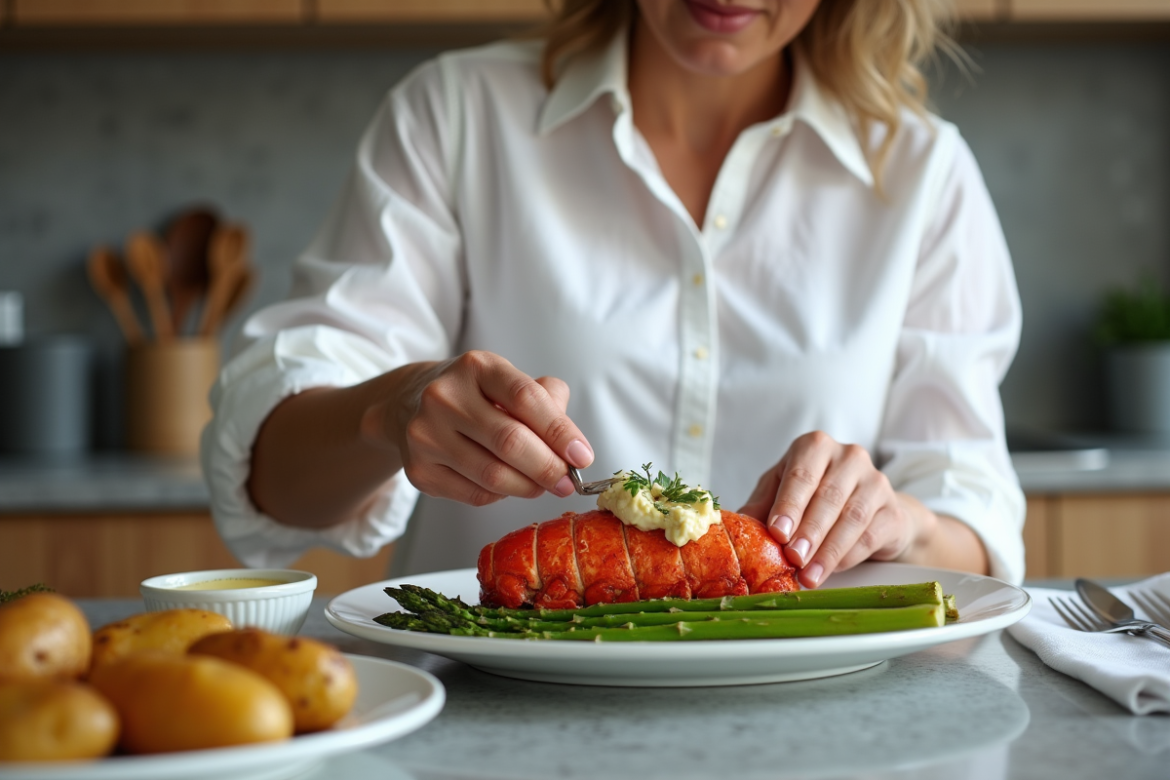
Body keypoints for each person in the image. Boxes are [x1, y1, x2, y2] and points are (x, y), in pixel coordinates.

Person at [202, 0, 1026, 589]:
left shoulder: (924, 172)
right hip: (484, 726)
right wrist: (389, 411)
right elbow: (275, 486)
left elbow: (977, 529)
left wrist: (903, 523)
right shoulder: (455, 115)